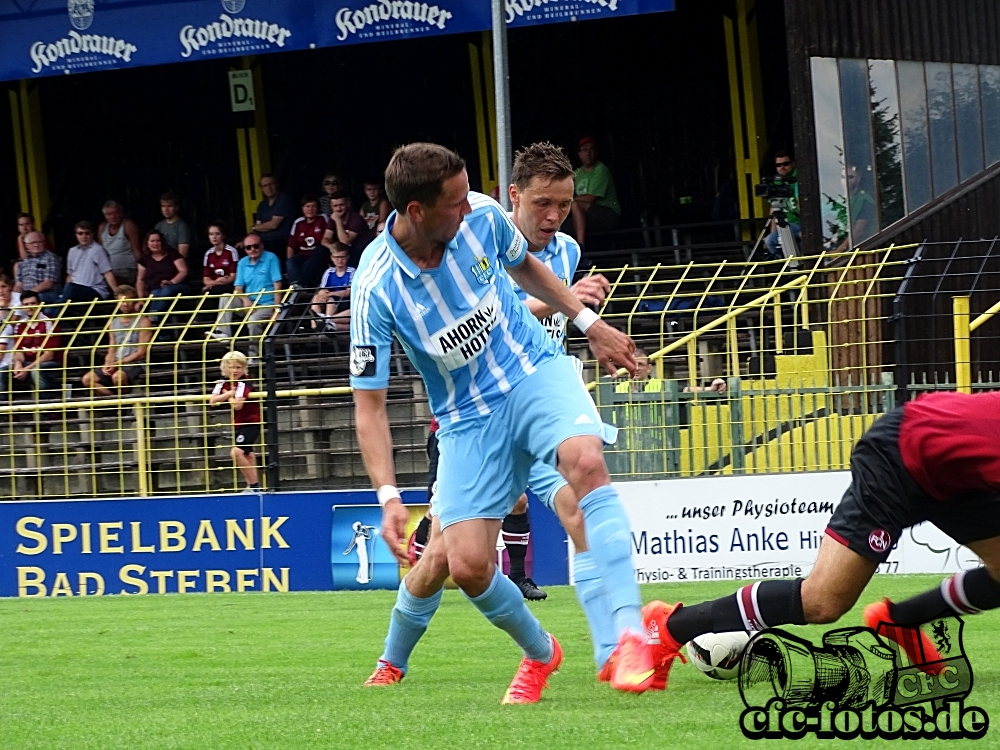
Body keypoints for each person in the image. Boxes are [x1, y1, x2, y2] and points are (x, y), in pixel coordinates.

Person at [352, 143, 648, 705]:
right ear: (417, 211)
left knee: (585, 464)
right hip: (466, 419)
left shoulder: (483, 216)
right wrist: (388, 494)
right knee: (462, 565)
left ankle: (629, 636)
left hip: (531, 370)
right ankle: (542, 651)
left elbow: (522, 265)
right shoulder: (376, 287)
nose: (472, 208)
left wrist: (590, 323)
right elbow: (369, 406)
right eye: (457, 202)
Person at [642, 389, 1000, 691]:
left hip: (953, 471)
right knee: (822, 602)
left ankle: (901, 620)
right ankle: (669, 626)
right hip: (899, 457)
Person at [218, 233, 283, 360]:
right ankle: (223, 334)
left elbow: (277, 285)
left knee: (253, 320)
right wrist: (246, 300)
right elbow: (238, 288)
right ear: (245, 249)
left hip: (266, 304)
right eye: (248, 247)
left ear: (262, 246)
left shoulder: (271, 258)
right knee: (226, 297)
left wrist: (277, 309)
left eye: (256, 246)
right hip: (249, 303)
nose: (252, 249)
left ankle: (254, 356)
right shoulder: (242, 262)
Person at [80, 286, 152, 395]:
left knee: (118, 377)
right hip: (117, 362)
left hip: (135, 363)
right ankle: (118, 403)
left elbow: (141, 352)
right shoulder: (113, 322)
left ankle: (125, 404)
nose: (125, 304)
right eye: (121, 301)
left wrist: (118, 363)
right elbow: (112, 349)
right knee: (87, 379)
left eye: (128, 301)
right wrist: (107, 364)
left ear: (134, 301)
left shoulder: (144, 321)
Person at [209, 350, 262, 492]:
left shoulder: (244, 383)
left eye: (238, 367)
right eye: (231, 367)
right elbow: (212, 400)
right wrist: (229, 394)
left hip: (251, 421)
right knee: (247, 453)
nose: (235, 370)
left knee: (236, 452)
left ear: (244, 369)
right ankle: (253, 486)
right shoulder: (222, 382)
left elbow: (237, 405)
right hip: (238, 422)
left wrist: (228, 396)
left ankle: (254, 486)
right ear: (225, 368)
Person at [569, 137, 621, 248]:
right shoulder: (577, 172)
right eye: (584, 149)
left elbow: (590, 198)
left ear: (596, 153)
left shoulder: (600, 169)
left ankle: (581, 247)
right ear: (579, 154)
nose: (588, 153)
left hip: (608, 214)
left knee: (574, 204)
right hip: (585, 215)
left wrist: (567, 201)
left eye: (591, 149)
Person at [11, 290, 62, 401]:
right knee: (3, 372)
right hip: (28, 364)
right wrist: (18, 364)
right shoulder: (20, 325)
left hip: (50, 363)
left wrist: (27, 369)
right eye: (26, 304)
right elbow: (18, 351)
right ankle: (6, 415)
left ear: (39, 304)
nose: (30, 307)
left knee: (36, 371)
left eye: (33, 303)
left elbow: (49, 355)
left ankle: (47, 413)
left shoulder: (49, 322)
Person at [59, 221, 118, 304]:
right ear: (76, 235)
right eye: (80, 233)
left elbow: (107, 272)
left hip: (94, 290)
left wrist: (117, 293)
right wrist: (65, 293)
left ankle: (52, 315)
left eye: (87, 233)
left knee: (69, 291)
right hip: (74, 292)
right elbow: (70, 275)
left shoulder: (98, 250)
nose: (84, 236)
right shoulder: (72, 251)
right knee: (50, 299)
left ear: (92, 234)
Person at [136, 229, 188, 317]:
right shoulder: (144, 260)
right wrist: (140, 299)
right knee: (155, 293)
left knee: (166, 290)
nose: (155, 244)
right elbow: (140, 280)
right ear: (147, 243)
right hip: (156, 290)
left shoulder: (173, 253)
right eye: (152, 241)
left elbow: (183, 271)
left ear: (162, 242)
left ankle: (153, 317)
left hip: (177, 286)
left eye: (158, 241)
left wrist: (171, 282)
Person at [202, 223, 240, 340]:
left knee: (214, 291)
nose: (214, 237)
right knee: (210, 292)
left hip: (229, 286)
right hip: (216, 286)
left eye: (217, 234)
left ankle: (202, 323)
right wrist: (216, 282)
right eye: (211, 234)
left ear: (223, 236)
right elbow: (205, 279)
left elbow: (233, 276)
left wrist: (214, 283)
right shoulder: (208, 254)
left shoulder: (231, 251)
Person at [763, 151, 801, 260]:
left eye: (786, 164)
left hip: (798, 224)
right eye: (778, 165)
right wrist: (773, 232)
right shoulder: (777, 182)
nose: (782, 167)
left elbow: (802, 205)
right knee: (770, 241)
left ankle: (795, 265)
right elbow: (773, 210)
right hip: (784, 225)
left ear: (793, 163)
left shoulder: (797, 178)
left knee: (780, 240)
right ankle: (786, 264)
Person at [286, 195, 331, 288]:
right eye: (307, 206)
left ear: (318, 208)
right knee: (290, 262)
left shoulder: (323, 218)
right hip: (303, 254)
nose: (310, 209)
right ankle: (296, 286)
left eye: (313, 206)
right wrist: (290, 262)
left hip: (318, 255)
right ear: (302, 209)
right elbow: (291, 245)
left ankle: (302, 284)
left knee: (317, 253)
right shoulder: (298, 222)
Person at [833, 165, 878, 253]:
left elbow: (858, 230)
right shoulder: (841, 201)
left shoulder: (865, 199)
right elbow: (840, 224)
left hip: (863, 248)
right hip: (843, 245)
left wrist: (839, 249)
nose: (846, 180)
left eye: (850, 177)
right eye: (843, 177)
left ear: (858, 179)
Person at [98, 200, 142, 283]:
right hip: (108, 272)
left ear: (121, 213)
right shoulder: (102, 227)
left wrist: (141, 270)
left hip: (126, 270)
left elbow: (136, 249)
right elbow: (100, 252)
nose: (113, 217)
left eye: (116, 213)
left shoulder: (127, 225)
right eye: (109, 214)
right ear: (105, 216)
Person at [252, 175, 296, 259]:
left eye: (271, 184)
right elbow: (258, 227)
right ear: (262, 188)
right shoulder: (262, 205)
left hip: (281, 241)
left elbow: (273, 225)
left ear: (277, 185)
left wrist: (255, 227)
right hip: (264, 241)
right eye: (265, 186)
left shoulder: (283, 199)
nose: (269, 188)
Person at [14, 231, 61, 304]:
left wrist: (30, 294)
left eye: (39, 242)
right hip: (27, 296)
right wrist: (14, 296)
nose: (36, 245)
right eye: (33, 243)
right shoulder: (24, 262)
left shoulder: (50, 258)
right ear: (26, 245)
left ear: (44, 243)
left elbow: (48, 283)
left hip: (47, 294)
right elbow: (19, 285)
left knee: (34, 300)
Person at [317, 243, 354, 330]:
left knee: (330, 299)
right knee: (316, 298)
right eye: (336, 257)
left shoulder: (352, 271)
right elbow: (322, 290)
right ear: (332, 258)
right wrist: (323, 294)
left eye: (342, 257)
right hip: (334, 301)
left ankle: (325, 322)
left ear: (347, 257)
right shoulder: (329, 272)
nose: (339, 260)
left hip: (347, 302)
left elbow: (349, 292)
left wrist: (330, 294)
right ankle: (316, 327)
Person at [327, 192, 371, 265]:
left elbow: (345, 241)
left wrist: (338, 221)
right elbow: (325, 239)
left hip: (360, 251)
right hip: (344, 251)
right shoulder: (333, 217)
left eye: (341, 205)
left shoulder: (356, 219)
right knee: (321, 250)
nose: (338, 209)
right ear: (331, 207)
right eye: (335, 206)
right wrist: (333, 248)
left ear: (348, 204)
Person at [154, 192, 192, 259]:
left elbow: (182, 253)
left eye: (169, 206)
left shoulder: (181, 226)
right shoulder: (159, 226)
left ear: (176, 207)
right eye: (163, 206)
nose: (166, 210)